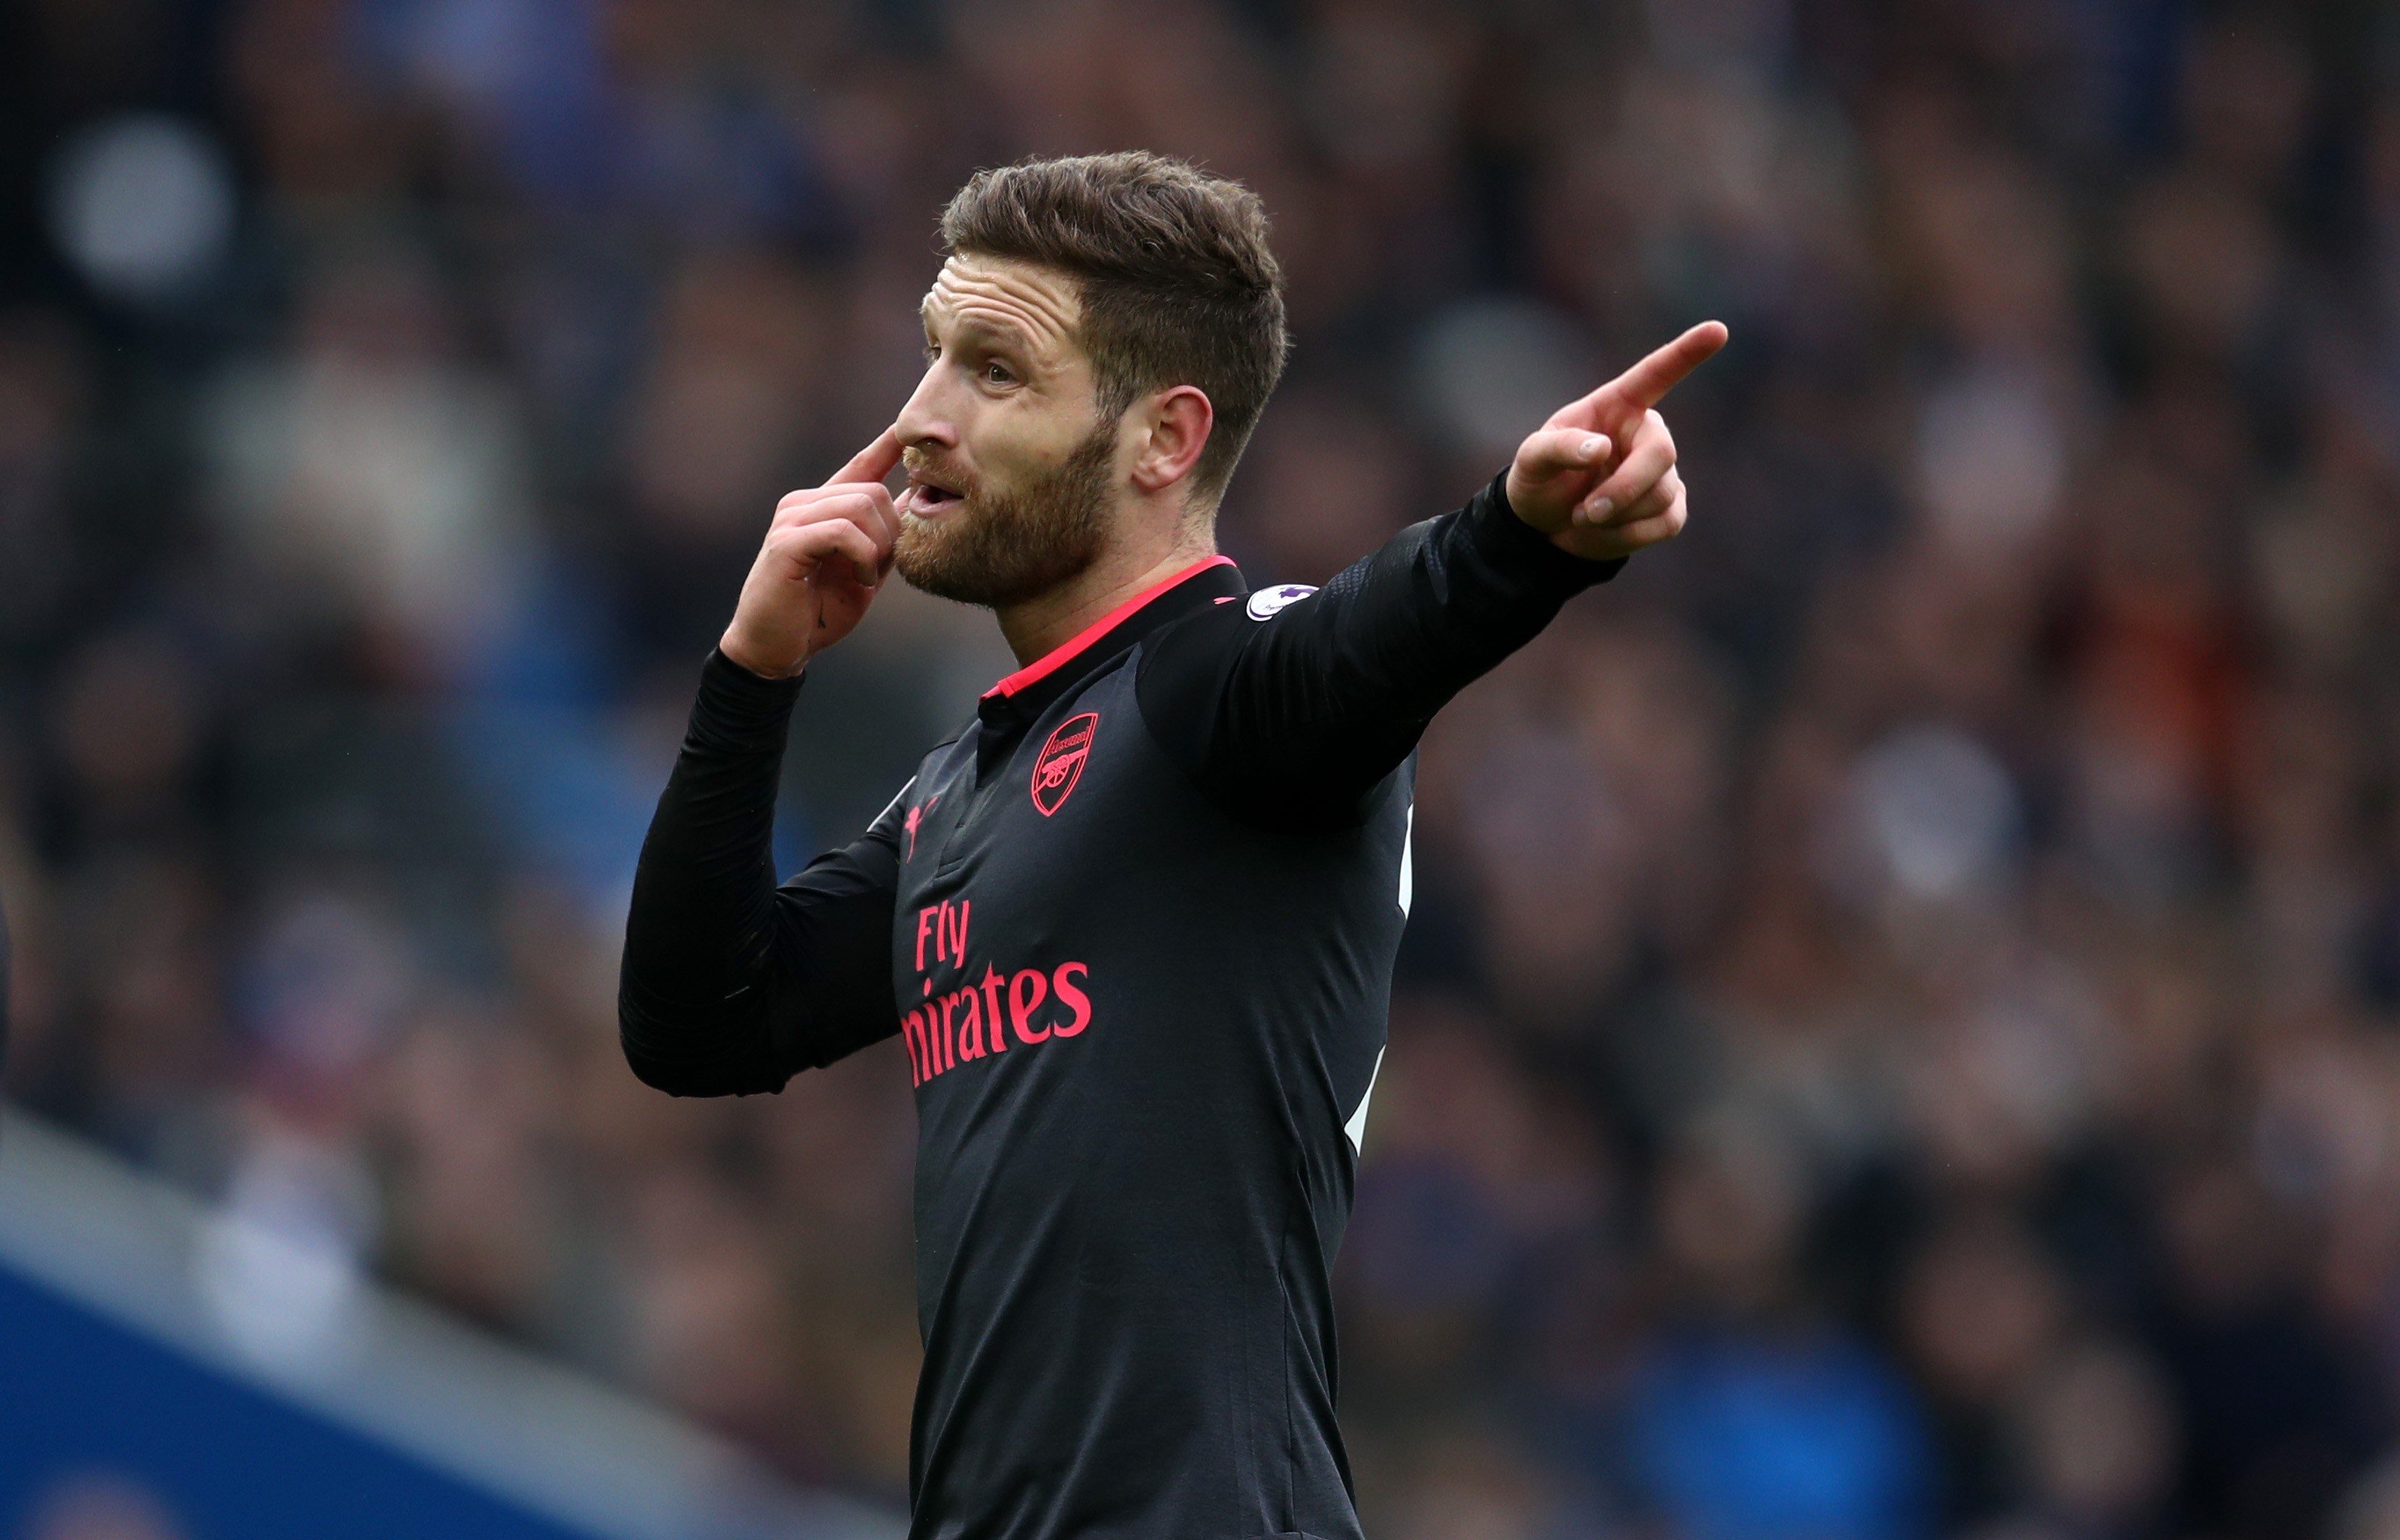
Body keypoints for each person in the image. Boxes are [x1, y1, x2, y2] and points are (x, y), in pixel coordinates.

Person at [618, 151, 1723, 1540]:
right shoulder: (961, 792)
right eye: (929, 358)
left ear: (1163, 437)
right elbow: (697, 1022)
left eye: (993, 371)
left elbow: (1370, 641)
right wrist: (751, 672)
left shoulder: (1217, 695)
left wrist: (1523, 537)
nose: (916, 421)